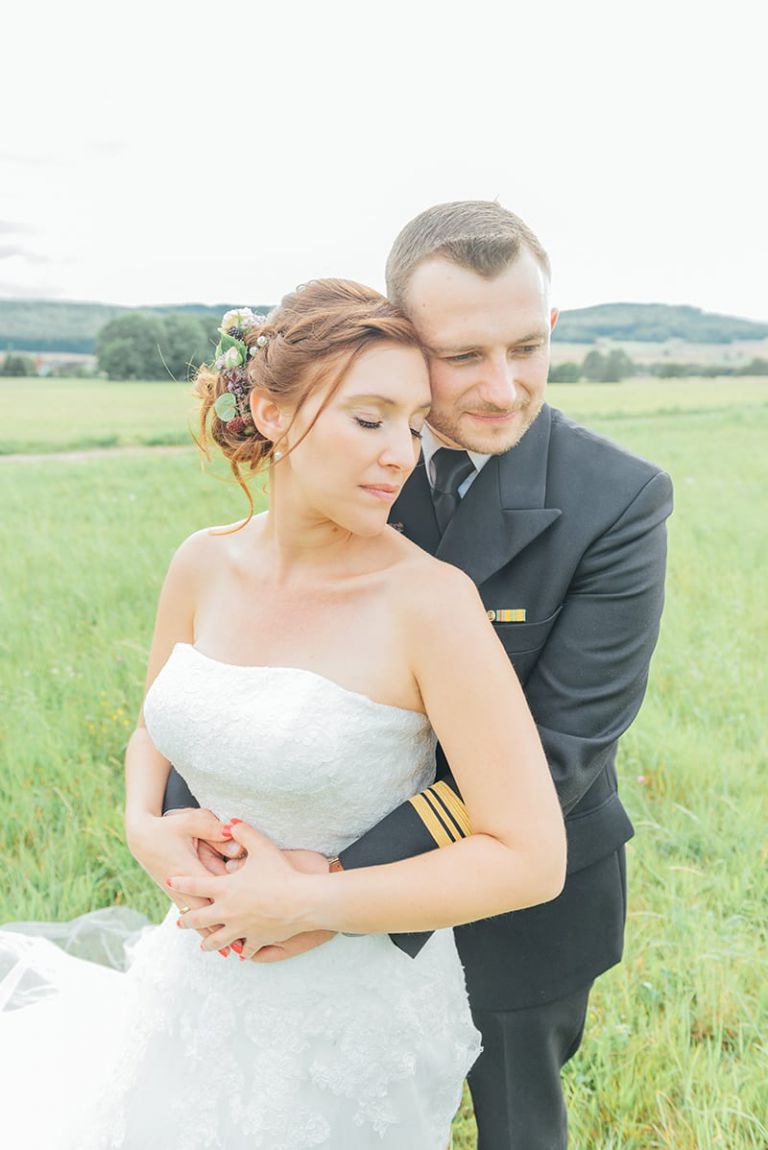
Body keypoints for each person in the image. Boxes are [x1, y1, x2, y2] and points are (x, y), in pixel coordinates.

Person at [0, 279, 566, 1150]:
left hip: (347, 1016)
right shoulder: (202, 563)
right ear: (269, 410)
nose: (400, 454)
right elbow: (155, 726)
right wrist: (141, 827)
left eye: (413, 424)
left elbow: (530, 859)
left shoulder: (431, 604)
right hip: (195, 967)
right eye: (368, 418)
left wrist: (309, 901)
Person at [165, 202, 674, 1149]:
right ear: (403, 341)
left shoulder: (620, 499)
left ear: (552, 326)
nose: (502, 386)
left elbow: (562, 749)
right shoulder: (342, 460)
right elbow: (239, 665)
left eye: (526, 347)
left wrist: (326, 883)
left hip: (520, 911)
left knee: (518, 1128)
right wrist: (209, 846)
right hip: (272, 894)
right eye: (463, 356)